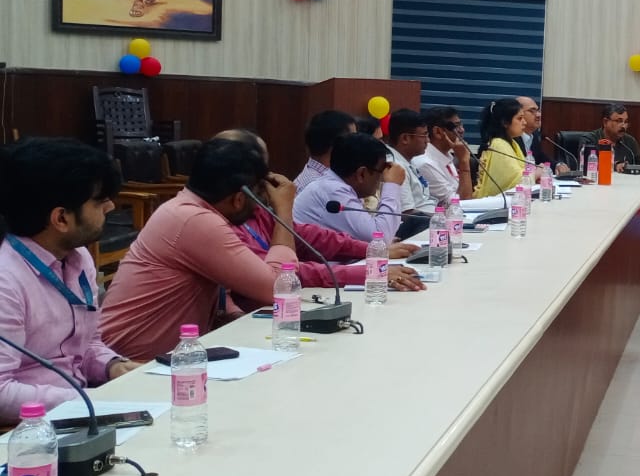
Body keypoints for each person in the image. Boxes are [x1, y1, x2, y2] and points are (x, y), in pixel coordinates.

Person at [100, 139, 298, 361]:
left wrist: (235, 315)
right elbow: (279, 287)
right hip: (130, 367)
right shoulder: (195, 221)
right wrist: (284, 210)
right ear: (239, 199)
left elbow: (217, 288)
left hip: (169, 359)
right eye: (258, 196)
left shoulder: (186, 209)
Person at [0, 139, 140, 421]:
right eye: (99, 201)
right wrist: (85, 400)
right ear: (61, 218)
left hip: (81, 407)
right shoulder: (7, 281)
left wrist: (113, 366)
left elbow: (85, 346)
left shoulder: (78, 257)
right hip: (31, 427)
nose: (110, 207)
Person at [215, 129, 421, 293]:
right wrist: (368, 271)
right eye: (261, 171)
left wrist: (371, 250)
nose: (268, 177)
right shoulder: (217, 226)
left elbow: (316, 238)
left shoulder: (254, 212)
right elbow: (280, 278)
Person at [294, 133, 406, 240]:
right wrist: (392, 185)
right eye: (381, 171)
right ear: (361, 174)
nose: (382, 178)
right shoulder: (334, 191)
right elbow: (379, 236)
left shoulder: (335, 185)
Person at [415, 107, 474, 203]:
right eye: (456, 126)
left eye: (461, 125)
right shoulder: (426, 164)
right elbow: (462, 203)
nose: (462, 130)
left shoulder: (446, 156)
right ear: (438, 132)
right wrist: (464, 163)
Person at [382, 109, 434, 213]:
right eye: (424, 136)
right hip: (422, 222)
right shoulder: (395, 166)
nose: (428, 141)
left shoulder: (408, 159)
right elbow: (407, 213)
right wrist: (442, 219)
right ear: (405, 138)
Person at [475, 98, 528, 199]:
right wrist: (535, 174)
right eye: (520, 118)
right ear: (505, 122)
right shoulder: (498, 144)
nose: (524, 122)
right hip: (490, 203)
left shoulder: (512, 143)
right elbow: (513, 180)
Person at [293, 110, 356, 191]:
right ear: (338, 145)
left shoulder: (313, 176)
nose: (357, 145)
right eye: (353, 139)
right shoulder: (326, 187)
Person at [583, 103, 640, 171]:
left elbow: (639, 165)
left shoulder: (630, 141)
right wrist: (615, 166)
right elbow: (587, 165)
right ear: (605, 122)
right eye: (619, 121)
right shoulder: (590, 140)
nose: (623, 126)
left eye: (625, 121)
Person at [516, 96, 556, 169]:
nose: (538, 115)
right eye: (532, 111)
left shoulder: (534, 136)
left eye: (538, 111)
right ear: (518, 114)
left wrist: (557, 165)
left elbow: (542, 158)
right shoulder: (511, 138)